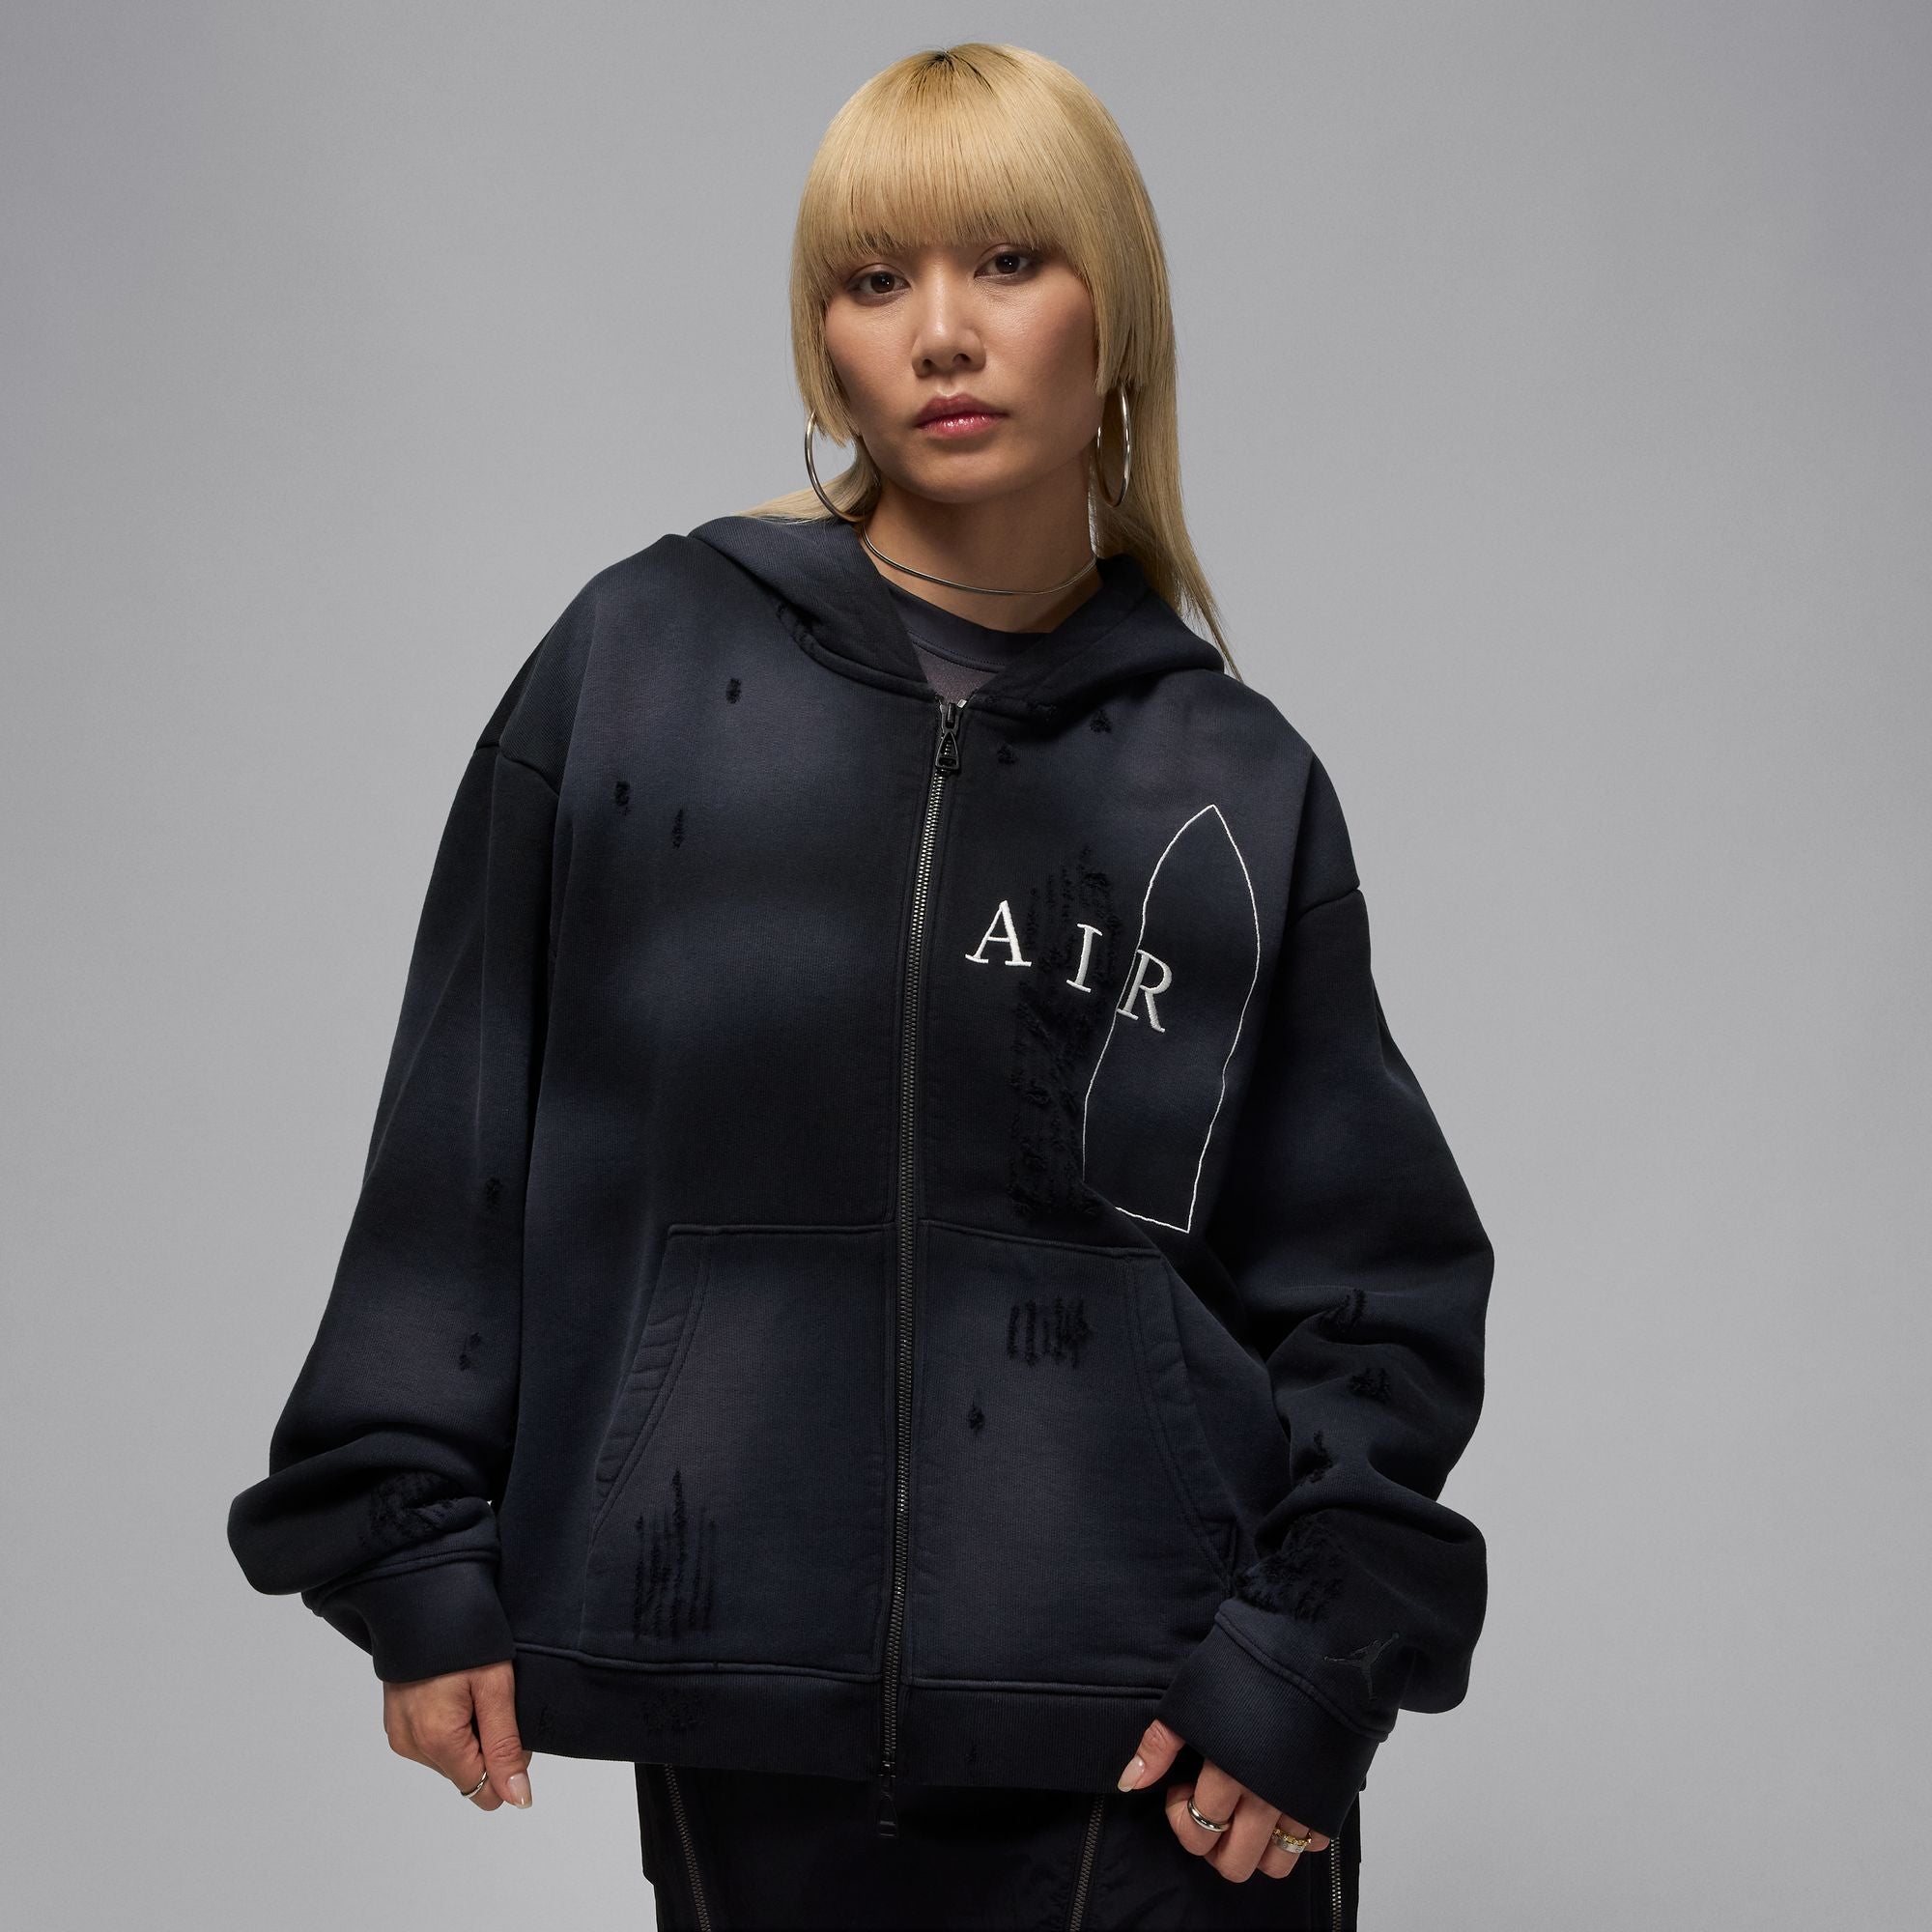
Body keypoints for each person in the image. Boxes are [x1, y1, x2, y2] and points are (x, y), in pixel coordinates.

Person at [227, 41, 1491, 1931]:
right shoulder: (643, 667)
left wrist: (1309, 1655)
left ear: (1115, 316)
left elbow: (1375, 1287)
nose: (942, 333)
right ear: (824, 342)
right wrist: (409, 1536)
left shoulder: (1225, 779)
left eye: (1009, 262)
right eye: (876, 279)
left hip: (1163, 1745)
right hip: (749, 1718)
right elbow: (463, 1129)